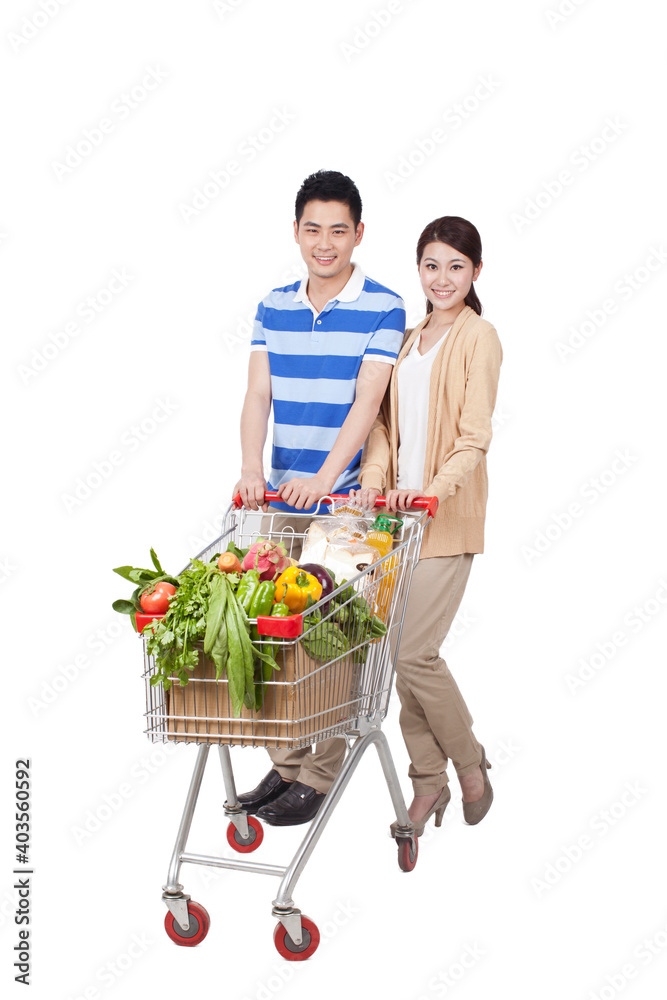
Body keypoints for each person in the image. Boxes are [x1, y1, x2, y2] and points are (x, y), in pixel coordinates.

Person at [232, 170, 406, 825]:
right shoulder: (272, 305)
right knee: (275, 635)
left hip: (346, 503)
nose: (324, 242)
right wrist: (252, 466)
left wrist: (328, 479)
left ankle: (318, 774)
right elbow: (257, 394)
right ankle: (285, 763)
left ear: (358, 234)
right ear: (296, 232)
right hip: (280, 494)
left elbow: (367, 400)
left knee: (333, 637)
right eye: (313, 229)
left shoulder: (382, 305)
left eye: (339, 229)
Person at [351, 215, 502, 835]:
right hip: (395, 523)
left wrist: (431, 494)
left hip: (443, 521)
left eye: (456, 267)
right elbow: (383, 426)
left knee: (415, 653)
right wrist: (373, 483)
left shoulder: (479, 337)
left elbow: (475, 438)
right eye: (432, 265)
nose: (443, 278)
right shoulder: (408, 338)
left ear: (475, 273)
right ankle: (428, 782)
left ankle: (469, 764)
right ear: (419, 269)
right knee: (396, 653)